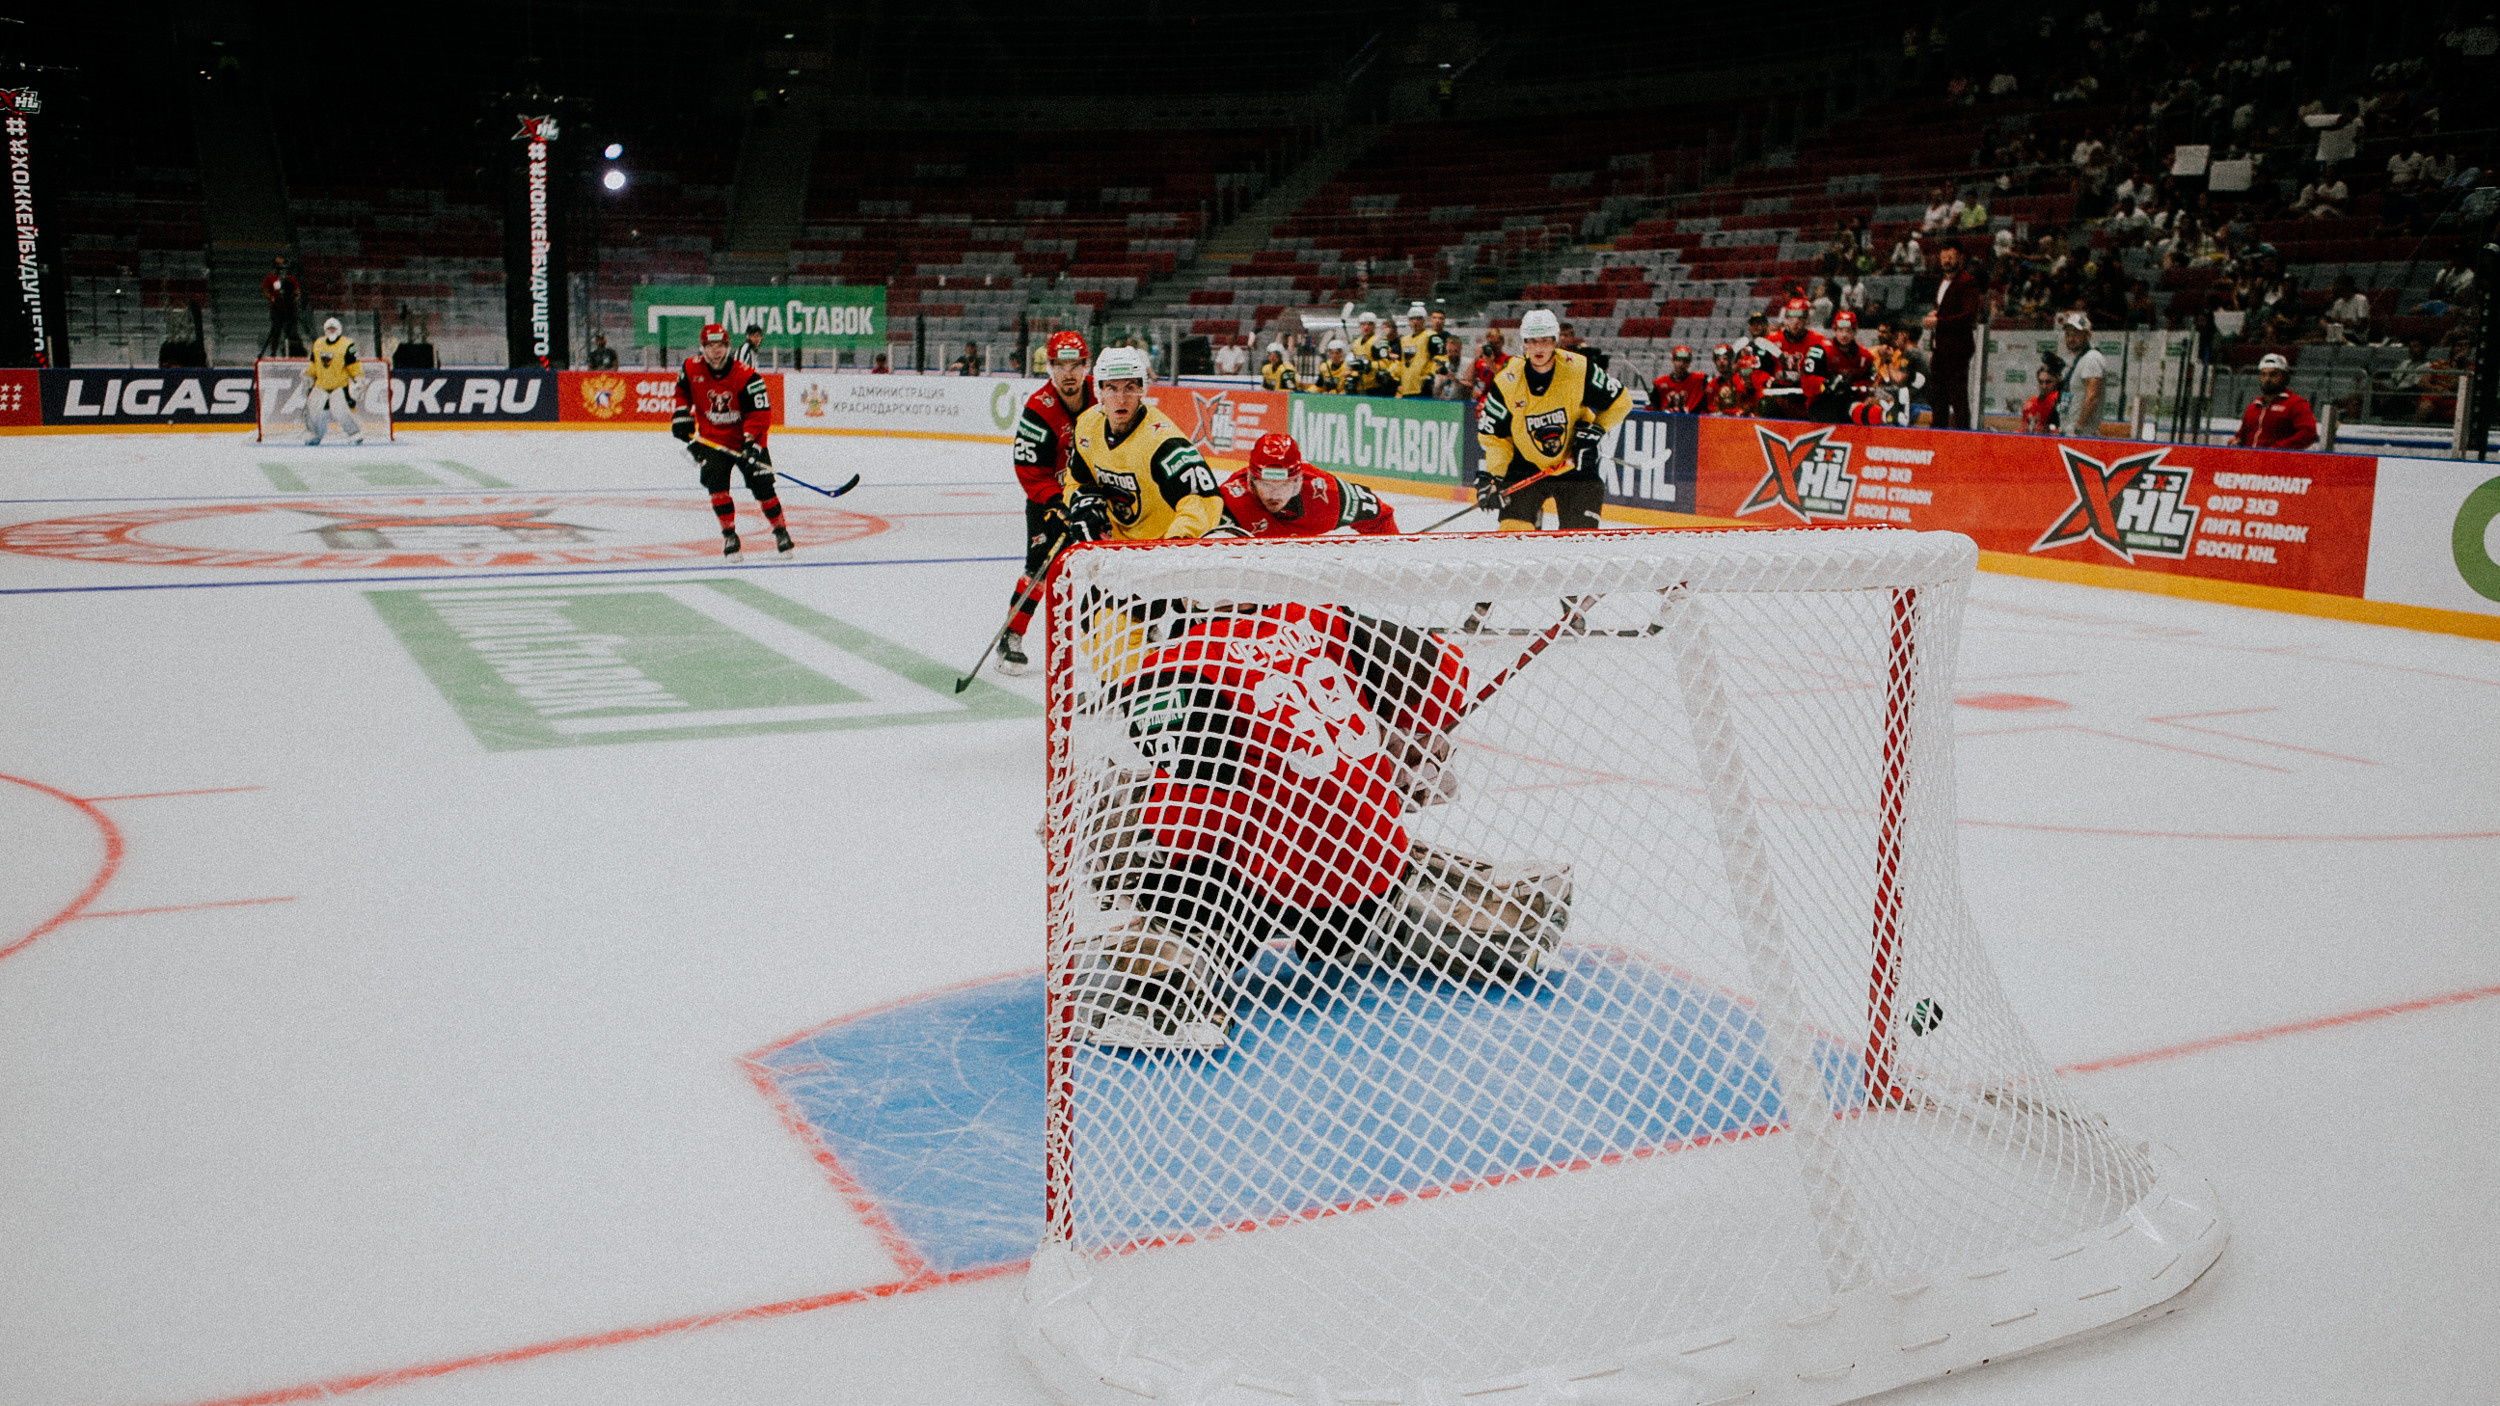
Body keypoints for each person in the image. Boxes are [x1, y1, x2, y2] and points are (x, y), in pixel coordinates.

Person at [1070, 597, 1562, 1051]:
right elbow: (1447, 678)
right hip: (1367, 879)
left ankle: (1164, 998)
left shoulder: (1170, 661)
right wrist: (1397, 742)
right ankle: (1500, 917)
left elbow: (1191, 819)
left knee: (1123, 805)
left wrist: (1146, 872)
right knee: (1347, 830)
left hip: (1261, 890)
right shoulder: (1324, 619)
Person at [1472, 308, 1631, 542]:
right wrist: (1493, 476)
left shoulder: (1579, 369)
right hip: (1525, 466)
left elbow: (1621, 401)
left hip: (1575, 466)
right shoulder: (1507, 381)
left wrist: (1596, 430)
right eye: (1532, 341)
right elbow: (1495, 437)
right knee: (1512, 540)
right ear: (1524, 343)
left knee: (1578, 545)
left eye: (1545, 341)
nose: (1539, 348)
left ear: (1555, 341)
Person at [994, 330, 1098, 676]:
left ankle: (1122, 634)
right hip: (1048, 499)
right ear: (1049, 367)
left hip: (1096, 496)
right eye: (1059, 365)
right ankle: (1012, 634)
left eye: (1075, 365)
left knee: (1112, 565)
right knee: (1039, 569)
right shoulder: (1039, 409)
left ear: (1087, 365)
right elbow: (1029, 469)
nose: (1068, 374)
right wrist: (1054, 501)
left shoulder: (1104, 395)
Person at [1061, 345, 1224, 545]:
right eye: (1112, 388)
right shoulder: (1087, 427)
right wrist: (1080, 503)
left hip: (1159, 549)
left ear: (1141, 389)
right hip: (1112, 545)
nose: (1121, 399)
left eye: (1129, 388)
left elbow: (1203, 502)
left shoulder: (1163, 443)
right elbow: (1076, 482)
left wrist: (1175, 545)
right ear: (1100, 391)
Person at [671, 322, 790, 558]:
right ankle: (729, 535)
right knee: (717, 487)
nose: (716, 351)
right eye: (710, 346)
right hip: (712, 440)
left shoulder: (746, 375)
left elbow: (760, 413)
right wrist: (681, 412)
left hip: (746, 439)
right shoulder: (690, 368)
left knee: (763, 487)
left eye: (720, 345)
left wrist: (751, 442)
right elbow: (681, 391)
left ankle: (780, 530)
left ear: (728, 347)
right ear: (702, 347)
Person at [1213, 432, 1398, 538]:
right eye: (1266, 485)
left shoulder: (1328, 496)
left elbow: (1380, 517)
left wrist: (1391, 557)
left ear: (1297, 482)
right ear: (1251, 483)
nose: (1274, 494)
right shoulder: (1231, 499)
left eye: (1283, 485)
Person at [1921, 244, 1983, 429]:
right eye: (1943, 257)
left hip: (1957, 349)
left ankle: (1963, 436)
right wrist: (1935, 313)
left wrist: (1938, 320)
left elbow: (1968, 316)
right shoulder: (1942, 280)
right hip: (1939, 347)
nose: (1946, 261)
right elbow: (1946, 309)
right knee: (1937, 397)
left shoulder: (1967, 281)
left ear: (1960, 259)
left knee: (1958, 398)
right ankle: (1938, 433)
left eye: (1950, 256)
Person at [1755, 298, 1829, 419]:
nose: (1795, 323)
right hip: (1780, 396)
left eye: (1800, 318)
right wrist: (1771, 383)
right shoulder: (1771, 340)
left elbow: (1826, 372)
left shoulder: (1819, 341)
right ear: (1786, 319)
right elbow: (1758, 373)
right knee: (1764, 403)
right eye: (1792, 318)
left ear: (1806, 319)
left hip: (1807, 397)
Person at [301, 316, 366, 445]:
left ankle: (356, 434)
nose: (331, 331)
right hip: (320, 385)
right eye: (329, 329)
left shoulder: (347, 344)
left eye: (333, 328)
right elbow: (314, 364)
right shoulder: (318, 344)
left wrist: (359, 379)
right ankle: (314, 435)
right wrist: (308, 375)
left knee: (342, 412)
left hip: (339, 386)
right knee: (313, 411)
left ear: (339, 329)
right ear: (324, 330)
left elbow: (354, 365)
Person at [2232, 352, 2317, 449]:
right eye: (2263, 374)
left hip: (2278, 462)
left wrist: (2279, 449)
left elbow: (2308, 433)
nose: (2267, 379)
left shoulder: (2296, 404)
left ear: (2284, 376)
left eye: (2273, 374)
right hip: (2250, 461)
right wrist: (2235, 441)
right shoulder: (2253, 406)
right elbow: (2242, 434)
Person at [1803, 311, 1874, 421]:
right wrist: (1825, 384)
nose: (1844, 335)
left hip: (1848, 400)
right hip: (1820, 402)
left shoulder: (1865, 356)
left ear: (1854, 332)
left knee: (1867, 411)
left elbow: (1868, 382)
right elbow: (1806, 381)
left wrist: (1852, 387)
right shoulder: (1819, 350)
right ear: (1834, 330)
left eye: (1848, 330)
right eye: (1840, 330)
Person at [2053, 312, 2108, 437]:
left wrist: (2078, 429)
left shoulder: (2092, 358)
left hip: (2081, 435)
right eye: (2068, 334)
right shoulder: (2079, 360)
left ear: (2087, 335)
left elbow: (2092, 397)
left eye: (2076, 334)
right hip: (2070, 432)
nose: (2071, 338)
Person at [1397, 303, 1447, 399]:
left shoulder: (1431, 336)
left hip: (1423, 388)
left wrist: (1432, 375)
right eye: (1412, 319)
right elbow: (1399, 363)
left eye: (1418, 319)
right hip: (1406, 388)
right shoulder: (1404, 340)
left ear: (1424, 320)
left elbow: (1440, 358)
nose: (1415, 322)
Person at [260, 256, 304, 358]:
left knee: (292, 331)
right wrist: (274, 299)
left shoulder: (291, 278)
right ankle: (273, 353)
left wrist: (293, 299)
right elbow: (265, 291)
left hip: (290, 309)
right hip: (277, 309)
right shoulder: (270, 278)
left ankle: (293, 353)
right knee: (276, 331)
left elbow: (297, 292)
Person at [1703, 343, 1761, 416]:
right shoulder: (1712, 385)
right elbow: (1711, 411)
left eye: (1725, 358)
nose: (1721, 361)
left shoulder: (1743, 379)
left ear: (1732, 360)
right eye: (1718, 359)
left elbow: (1753, 403)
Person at [1648, 345, 1708, 412]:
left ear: (1689, 362)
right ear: (1673, 360)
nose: (1681, 363)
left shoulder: (1699, 379)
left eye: (1685, 361)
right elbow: (1653, 407)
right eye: (1678, 360)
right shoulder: (1660, 382)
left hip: (1691, 419)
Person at [2020, 362, 2062, 434]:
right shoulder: (2030, 403)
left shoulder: (2060, 401)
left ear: (2057, 381)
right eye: (2040, 382)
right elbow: (2025, 431)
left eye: (2048, 382)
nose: (2044, 386)